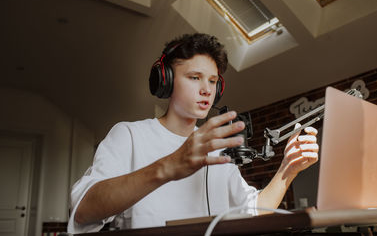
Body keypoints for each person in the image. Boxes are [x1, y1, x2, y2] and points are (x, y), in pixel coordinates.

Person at [67, 33, 319, 233]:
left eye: (212, 81)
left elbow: (252, 211)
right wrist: (168, 166)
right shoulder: (129, 135)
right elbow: (83, 210)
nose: (206, 90)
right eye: (195, 77)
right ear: (165, 81)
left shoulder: (218, 148)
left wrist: (288, 170)